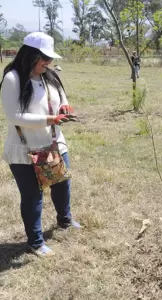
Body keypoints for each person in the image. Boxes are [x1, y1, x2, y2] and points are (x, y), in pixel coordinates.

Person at [0, 32, 81, 257]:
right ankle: (35, 242)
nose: (48, 63)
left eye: (50, 59)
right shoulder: (13, 78)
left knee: (62, 184)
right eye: (44, 58)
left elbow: (61, 97)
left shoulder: (49, 75)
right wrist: (50, 120)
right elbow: (15, 116)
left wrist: (65, 108)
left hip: (54, 144)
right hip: (24, 150)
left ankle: (65, 220)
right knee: (33, 196)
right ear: (30, 55)